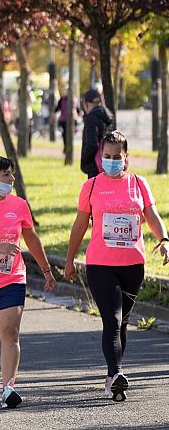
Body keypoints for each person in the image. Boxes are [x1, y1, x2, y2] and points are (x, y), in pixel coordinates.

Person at [65, 131, 169, 402]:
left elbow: (152, 215)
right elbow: (80, 225)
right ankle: (116, 373)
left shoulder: (139, 184)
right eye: (106, 156)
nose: (110, 161)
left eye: (116, 157)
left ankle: (113, 376)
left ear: (126, 157)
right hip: (100, 264)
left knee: (121, 322)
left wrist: (164, 240)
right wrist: (69, 260)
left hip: (133, 264)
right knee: (111, 319)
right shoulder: (91, 186)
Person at [0, 155, 56, 408]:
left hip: (12, 278)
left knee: (10, 331)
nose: (12, 178)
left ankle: (8, 388)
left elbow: (31, 238)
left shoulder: (19, 205)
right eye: (7, 174)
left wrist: (46, 270)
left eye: (12, 173)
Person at [80, 89, 114, 178]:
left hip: (95, 166)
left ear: (86, 104)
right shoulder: (109, 117)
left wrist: (84, 159)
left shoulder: (91, 118)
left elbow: (92, 144)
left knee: (94, 187)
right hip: (109, 164)